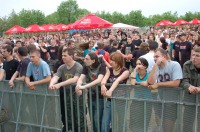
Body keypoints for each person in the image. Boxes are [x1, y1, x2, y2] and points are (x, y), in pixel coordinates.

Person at [147, 48, 183, 132]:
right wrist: (155, 65)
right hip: (160, 100)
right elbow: (150, 82)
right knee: (161, 125)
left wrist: (158, 84)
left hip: (172, 101)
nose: (155, 58)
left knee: (168, 127)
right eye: (154, 57)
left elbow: (176, 82)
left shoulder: (174, 64)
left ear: (164, 56)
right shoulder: (156, 67)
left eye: (157, 56)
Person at [49, 48, 84, 132]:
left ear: (71, 56)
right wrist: (51, 84)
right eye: (62, 55)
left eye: (65, 55)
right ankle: (69, 129)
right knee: (68, 113)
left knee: (79, 114)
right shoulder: (62, 67)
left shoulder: (78, 66)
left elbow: (75, 79)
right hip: (66, 92)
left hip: (77, 92)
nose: (63, 57)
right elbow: (56, 76)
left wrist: (59, 84)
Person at [75, 52, 106, 132]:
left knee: (97, 119)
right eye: (85, 58)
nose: (85, 60)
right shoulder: (86, 67)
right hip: (90, 96)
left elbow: (99, 79)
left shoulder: (101, 66)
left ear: (93, 61)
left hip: (100, 97)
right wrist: (78, 86)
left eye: (87, 59)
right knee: (92, 119)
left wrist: (84, 86)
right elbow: (81, 78)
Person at [100, 52, 129, 132]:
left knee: (121, 122)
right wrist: (103, 85)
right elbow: (105, 78)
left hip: (121, 100)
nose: (111, 62)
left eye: (113, 60)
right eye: (110, 60)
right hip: (110, 100)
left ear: (119, 61)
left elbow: (117, 80)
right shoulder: (110, 69)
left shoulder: (125, 71)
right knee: (105, 123)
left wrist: (110, 91)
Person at [130, 57, 152, 131]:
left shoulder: (149, 74)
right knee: (134, 121)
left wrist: (137, 82)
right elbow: (132, 83)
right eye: (136, 64)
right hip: (136, 101)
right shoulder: (134, 74)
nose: (138, 66)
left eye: (139, 64)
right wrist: (135, 69)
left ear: (145, 66)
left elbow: (146, 83)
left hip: (147, 101)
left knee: (145, 121)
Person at [181, 47, 200, 132]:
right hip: (190, 96)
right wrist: (189, 87)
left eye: (197, 55)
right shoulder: (187, 65)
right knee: (187, 122)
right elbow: (184, 80)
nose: (194, 57)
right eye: (193, 55)